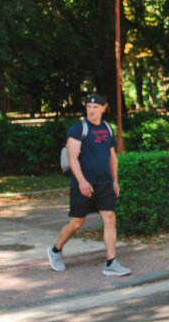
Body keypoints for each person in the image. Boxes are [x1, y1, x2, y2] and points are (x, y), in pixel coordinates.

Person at [47, 94, 130, 277]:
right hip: (83, 185)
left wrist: (115, 180)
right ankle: (55, 250)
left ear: (103, 108)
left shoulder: (107, 128)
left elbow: (112, 156)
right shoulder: (78, 128)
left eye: (95, 107)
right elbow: (72, 157)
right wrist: (82, 181)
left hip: (105, 184)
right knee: (76, 223)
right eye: (88, 107)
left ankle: (110, 263)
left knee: (110, 218)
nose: (91, 110)